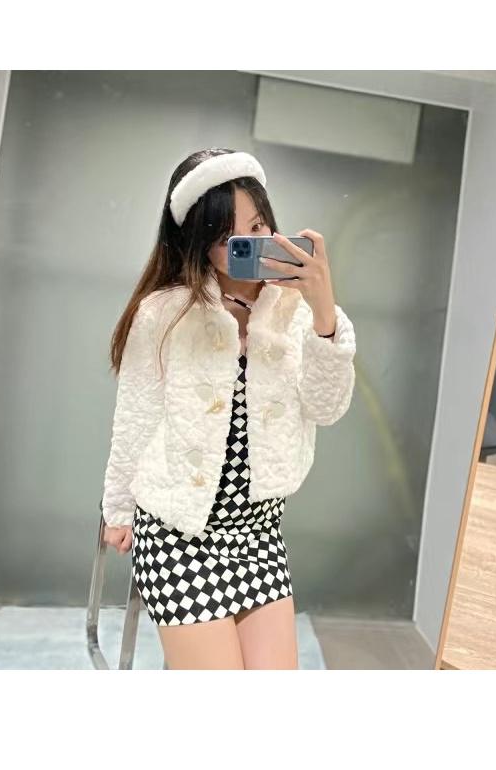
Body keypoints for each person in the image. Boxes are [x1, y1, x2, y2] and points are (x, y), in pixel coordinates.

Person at [100, 147, 356, 669]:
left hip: (259, 535)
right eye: (227, 237)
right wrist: (119, 509)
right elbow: (136, 416)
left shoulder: (301, 313)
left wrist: (324, 312)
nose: (250, 244)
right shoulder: (165, 313)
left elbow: (327, 408)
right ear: (199, 244)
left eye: (258, 226)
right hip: (177, 535)